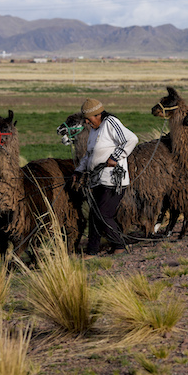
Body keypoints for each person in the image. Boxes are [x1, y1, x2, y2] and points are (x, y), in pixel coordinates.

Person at [73, 98, 138, 257]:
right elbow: (89, 155)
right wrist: (79, 171)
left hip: (113, 180)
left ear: (98, 114)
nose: (87, 122)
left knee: (103, 215)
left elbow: (131, 139)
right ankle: (92, 251)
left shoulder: (110, 123)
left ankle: (120, 245)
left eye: (89, 118)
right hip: (97, 180)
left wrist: (115, 157)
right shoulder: (94, 130)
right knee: (94, 216)